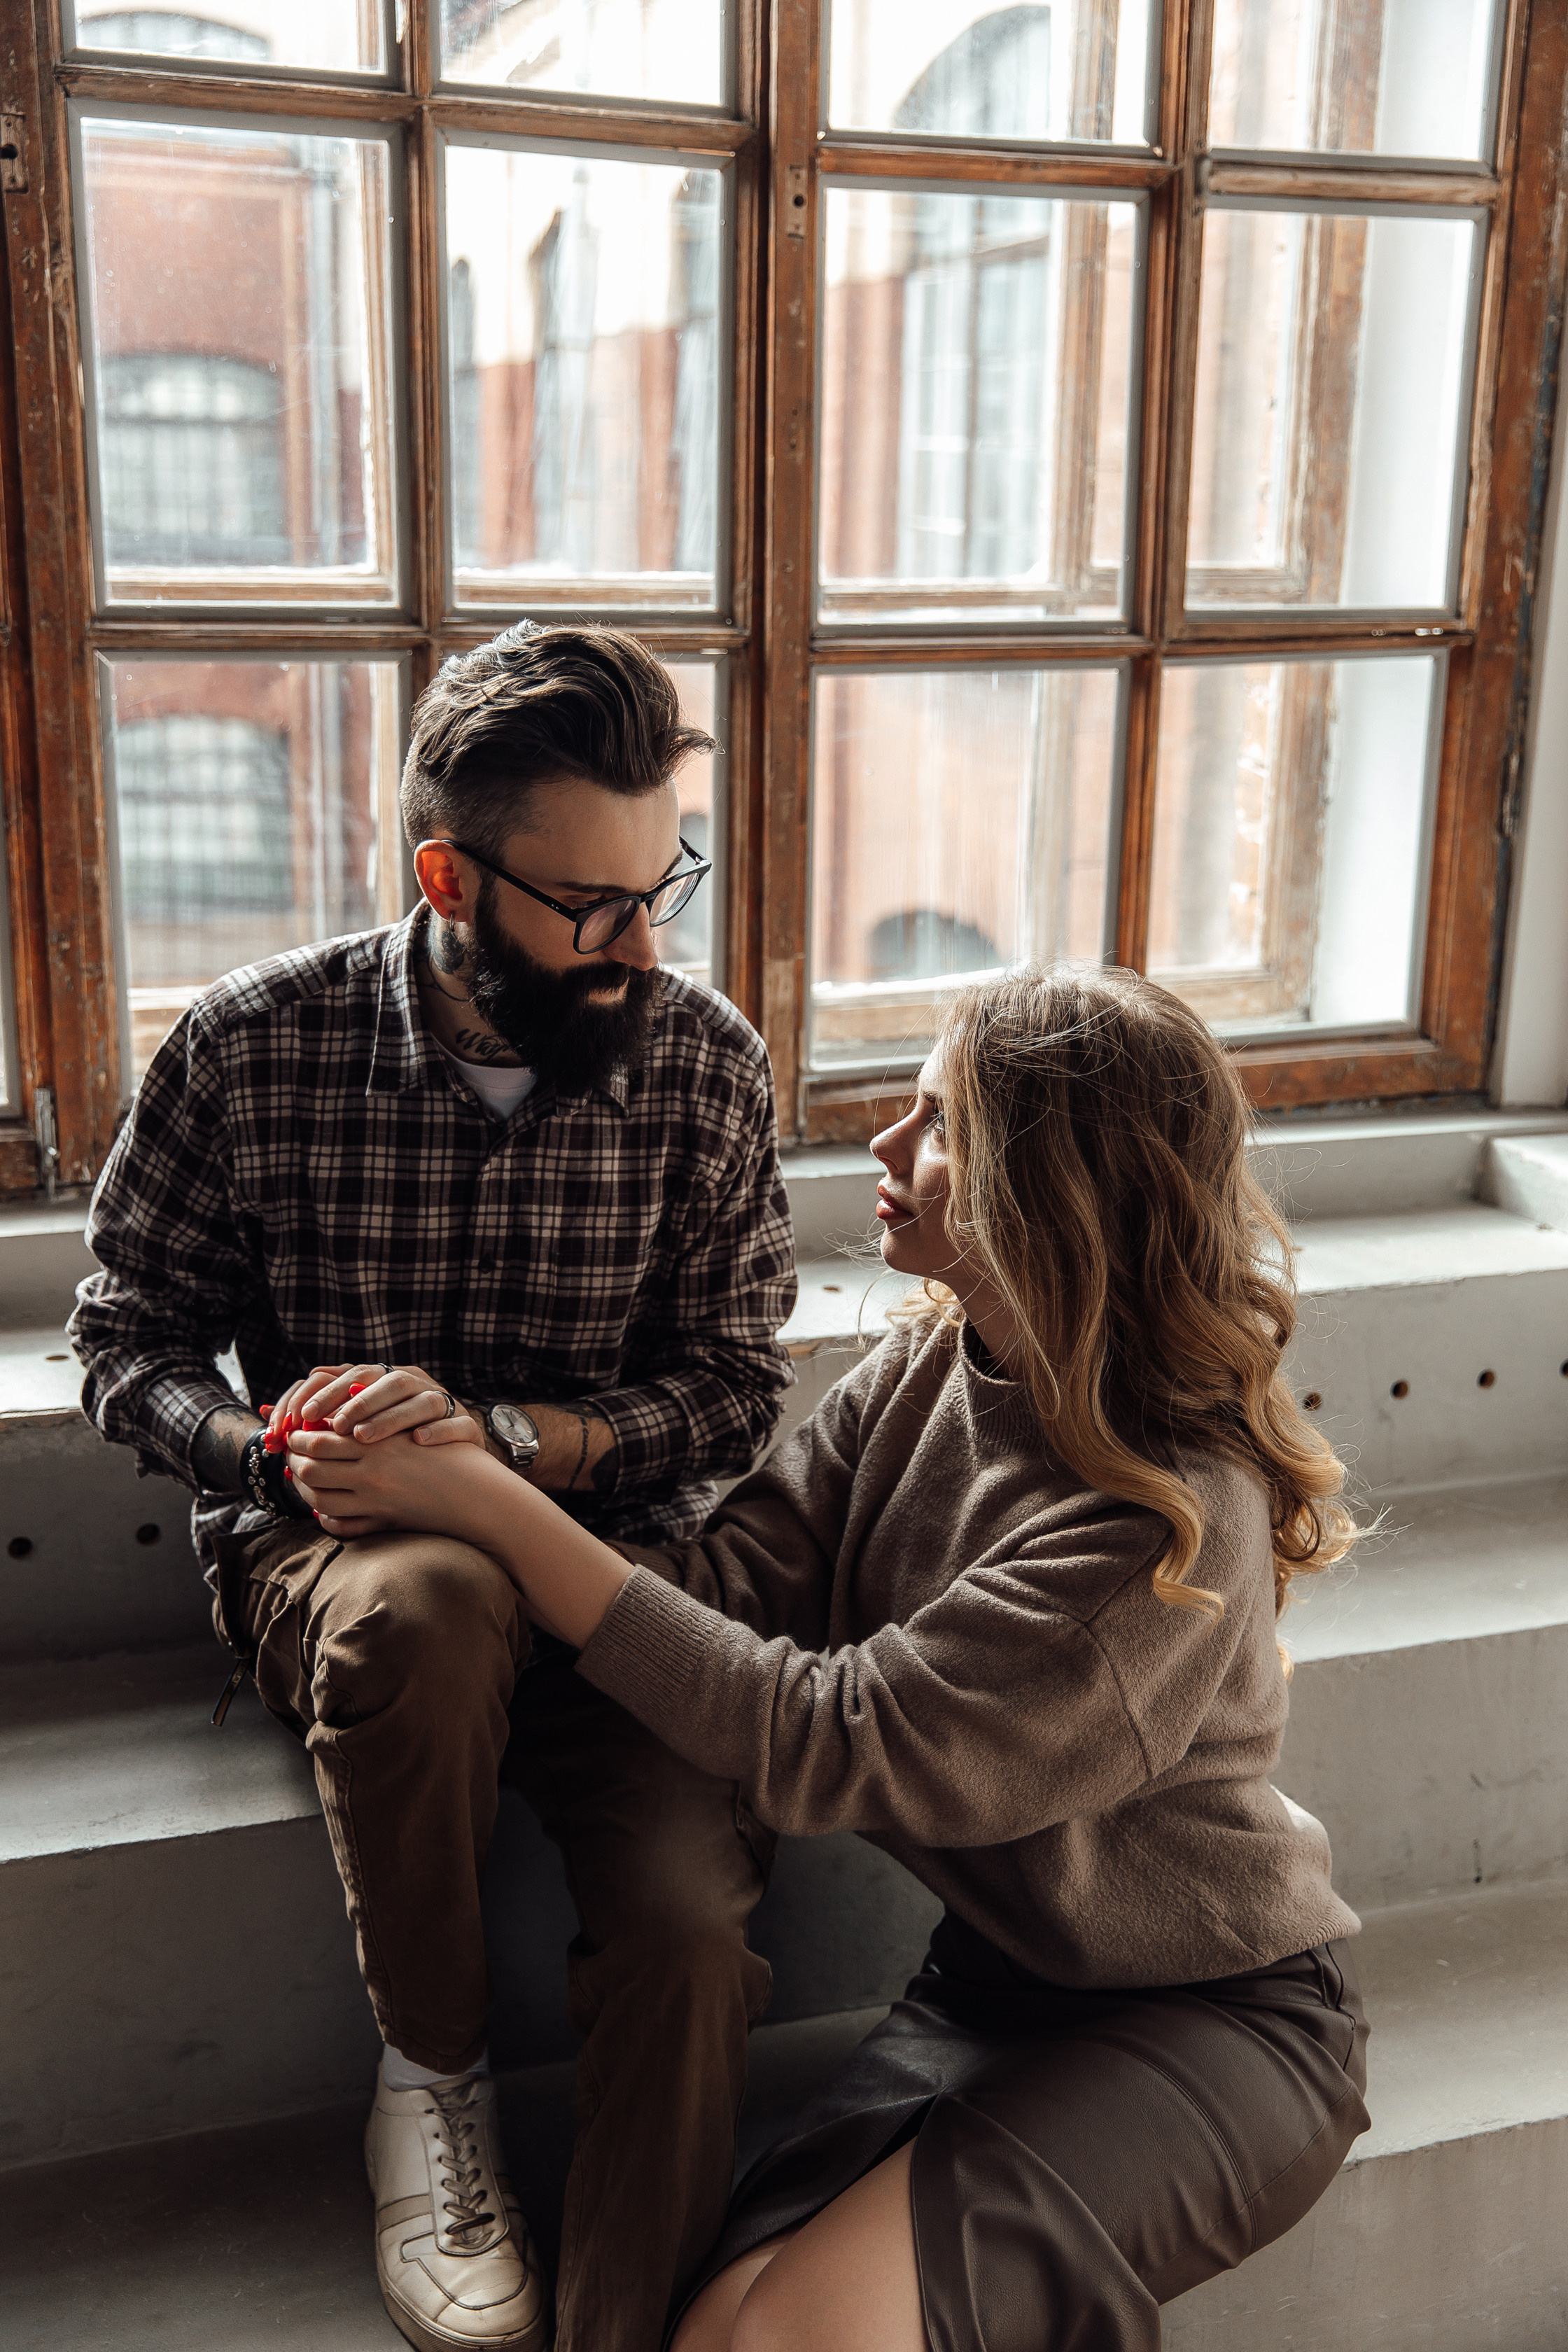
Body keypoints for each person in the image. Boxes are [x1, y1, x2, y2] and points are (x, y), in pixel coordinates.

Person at [273, 964, 1371, 2352]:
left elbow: (828, 1738)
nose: (884, 1147)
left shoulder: (1156, 1524)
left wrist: (486, 1508)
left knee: (789, 2342)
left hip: (1214, 2025)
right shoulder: (928, 1370)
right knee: (715, 2329)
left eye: (940, 1124)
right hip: (993, 1993)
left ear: (1055, 1186)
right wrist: (466, 1452)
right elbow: (734, 1591)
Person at [69, 623, 798, 2352]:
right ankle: (433, 2090)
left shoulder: (703, 1065)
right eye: (590, 907)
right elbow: (123, 1341)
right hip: (347, 1567)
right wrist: (279, 1456)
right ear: (444, 876)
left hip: (613, 1575)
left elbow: (738, 1387)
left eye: (660, 887)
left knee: (694, 1934)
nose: (640, 943)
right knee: (437, 1591)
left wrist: (510, 1450)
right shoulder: (249, 1046)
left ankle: (628, 2326)